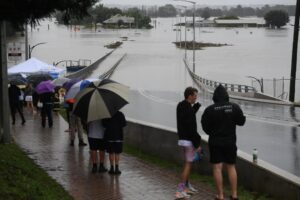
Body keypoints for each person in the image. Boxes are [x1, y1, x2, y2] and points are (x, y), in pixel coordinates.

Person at [201, 85, 246, 200]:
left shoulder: (210, 109)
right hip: (230, 142)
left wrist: (213, 132)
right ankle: (234, 195)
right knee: (231, 167)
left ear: (215, 97)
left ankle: (220, 195)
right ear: (226, 96)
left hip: (215, 142)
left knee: (217, 168)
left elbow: (205, 127)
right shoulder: (234, 107)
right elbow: (241, 122)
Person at [175, 87, 201, 199]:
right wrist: (197, 145)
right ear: (189, 96)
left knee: (187, 164)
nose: (196, 97)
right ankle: (180, 190)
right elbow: (191, 128)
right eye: (195, 95)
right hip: (189, 141)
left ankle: (185, 188)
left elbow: (186, 118)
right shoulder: (188, 109)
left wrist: (194, 108)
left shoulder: (181, 106)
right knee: (188, 164)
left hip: (182, 139)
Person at [102, 111, 126, 175]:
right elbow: (124, 124)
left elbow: (103, 124)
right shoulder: (121, 114)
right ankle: (117, 168)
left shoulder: (107, 114)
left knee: (111, 153)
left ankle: (112, 168)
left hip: (109, 136)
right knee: (117, 153)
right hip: (118, 136)